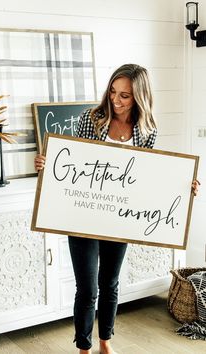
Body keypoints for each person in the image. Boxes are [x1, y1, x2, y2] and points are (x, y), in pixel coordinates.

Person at [34, 64, 200, 354]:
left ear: (139, 97)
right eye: (113, 91)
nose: (116, 100)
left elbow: (149, 179)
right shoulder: (92, 120)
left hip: (118, 219)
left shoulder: (146, 131)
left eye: (125, 95)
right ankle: (84, 346)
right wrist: (47, 167)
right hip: (83, 216)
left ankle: (105, 341)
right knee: (87, 289)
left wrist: (184, 188)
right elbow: (72, 163)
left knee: (110, 284)